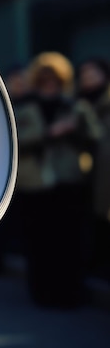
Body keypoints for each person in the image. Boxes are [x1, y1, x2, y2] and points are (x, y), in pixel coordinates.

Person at [18, 52, 102, 309]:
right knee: (40, 242)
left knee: (69, 242)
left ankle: (70, 293)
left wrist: (76, 127)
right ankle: (42, 293)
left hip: (69, 182)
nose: (50, 81)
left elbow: (96, 138)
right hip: (36, 185)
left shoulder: (75, 105)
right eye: (44, 77)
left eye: (55, 77)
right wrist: (49, 133)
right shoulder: (24, 107)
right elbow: (14, 143)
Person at [76, 57, 110, 282]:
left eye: (93, 74)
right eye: (84, 76)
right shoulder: (79, 104)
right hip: (87, 175)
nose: (88, 80)